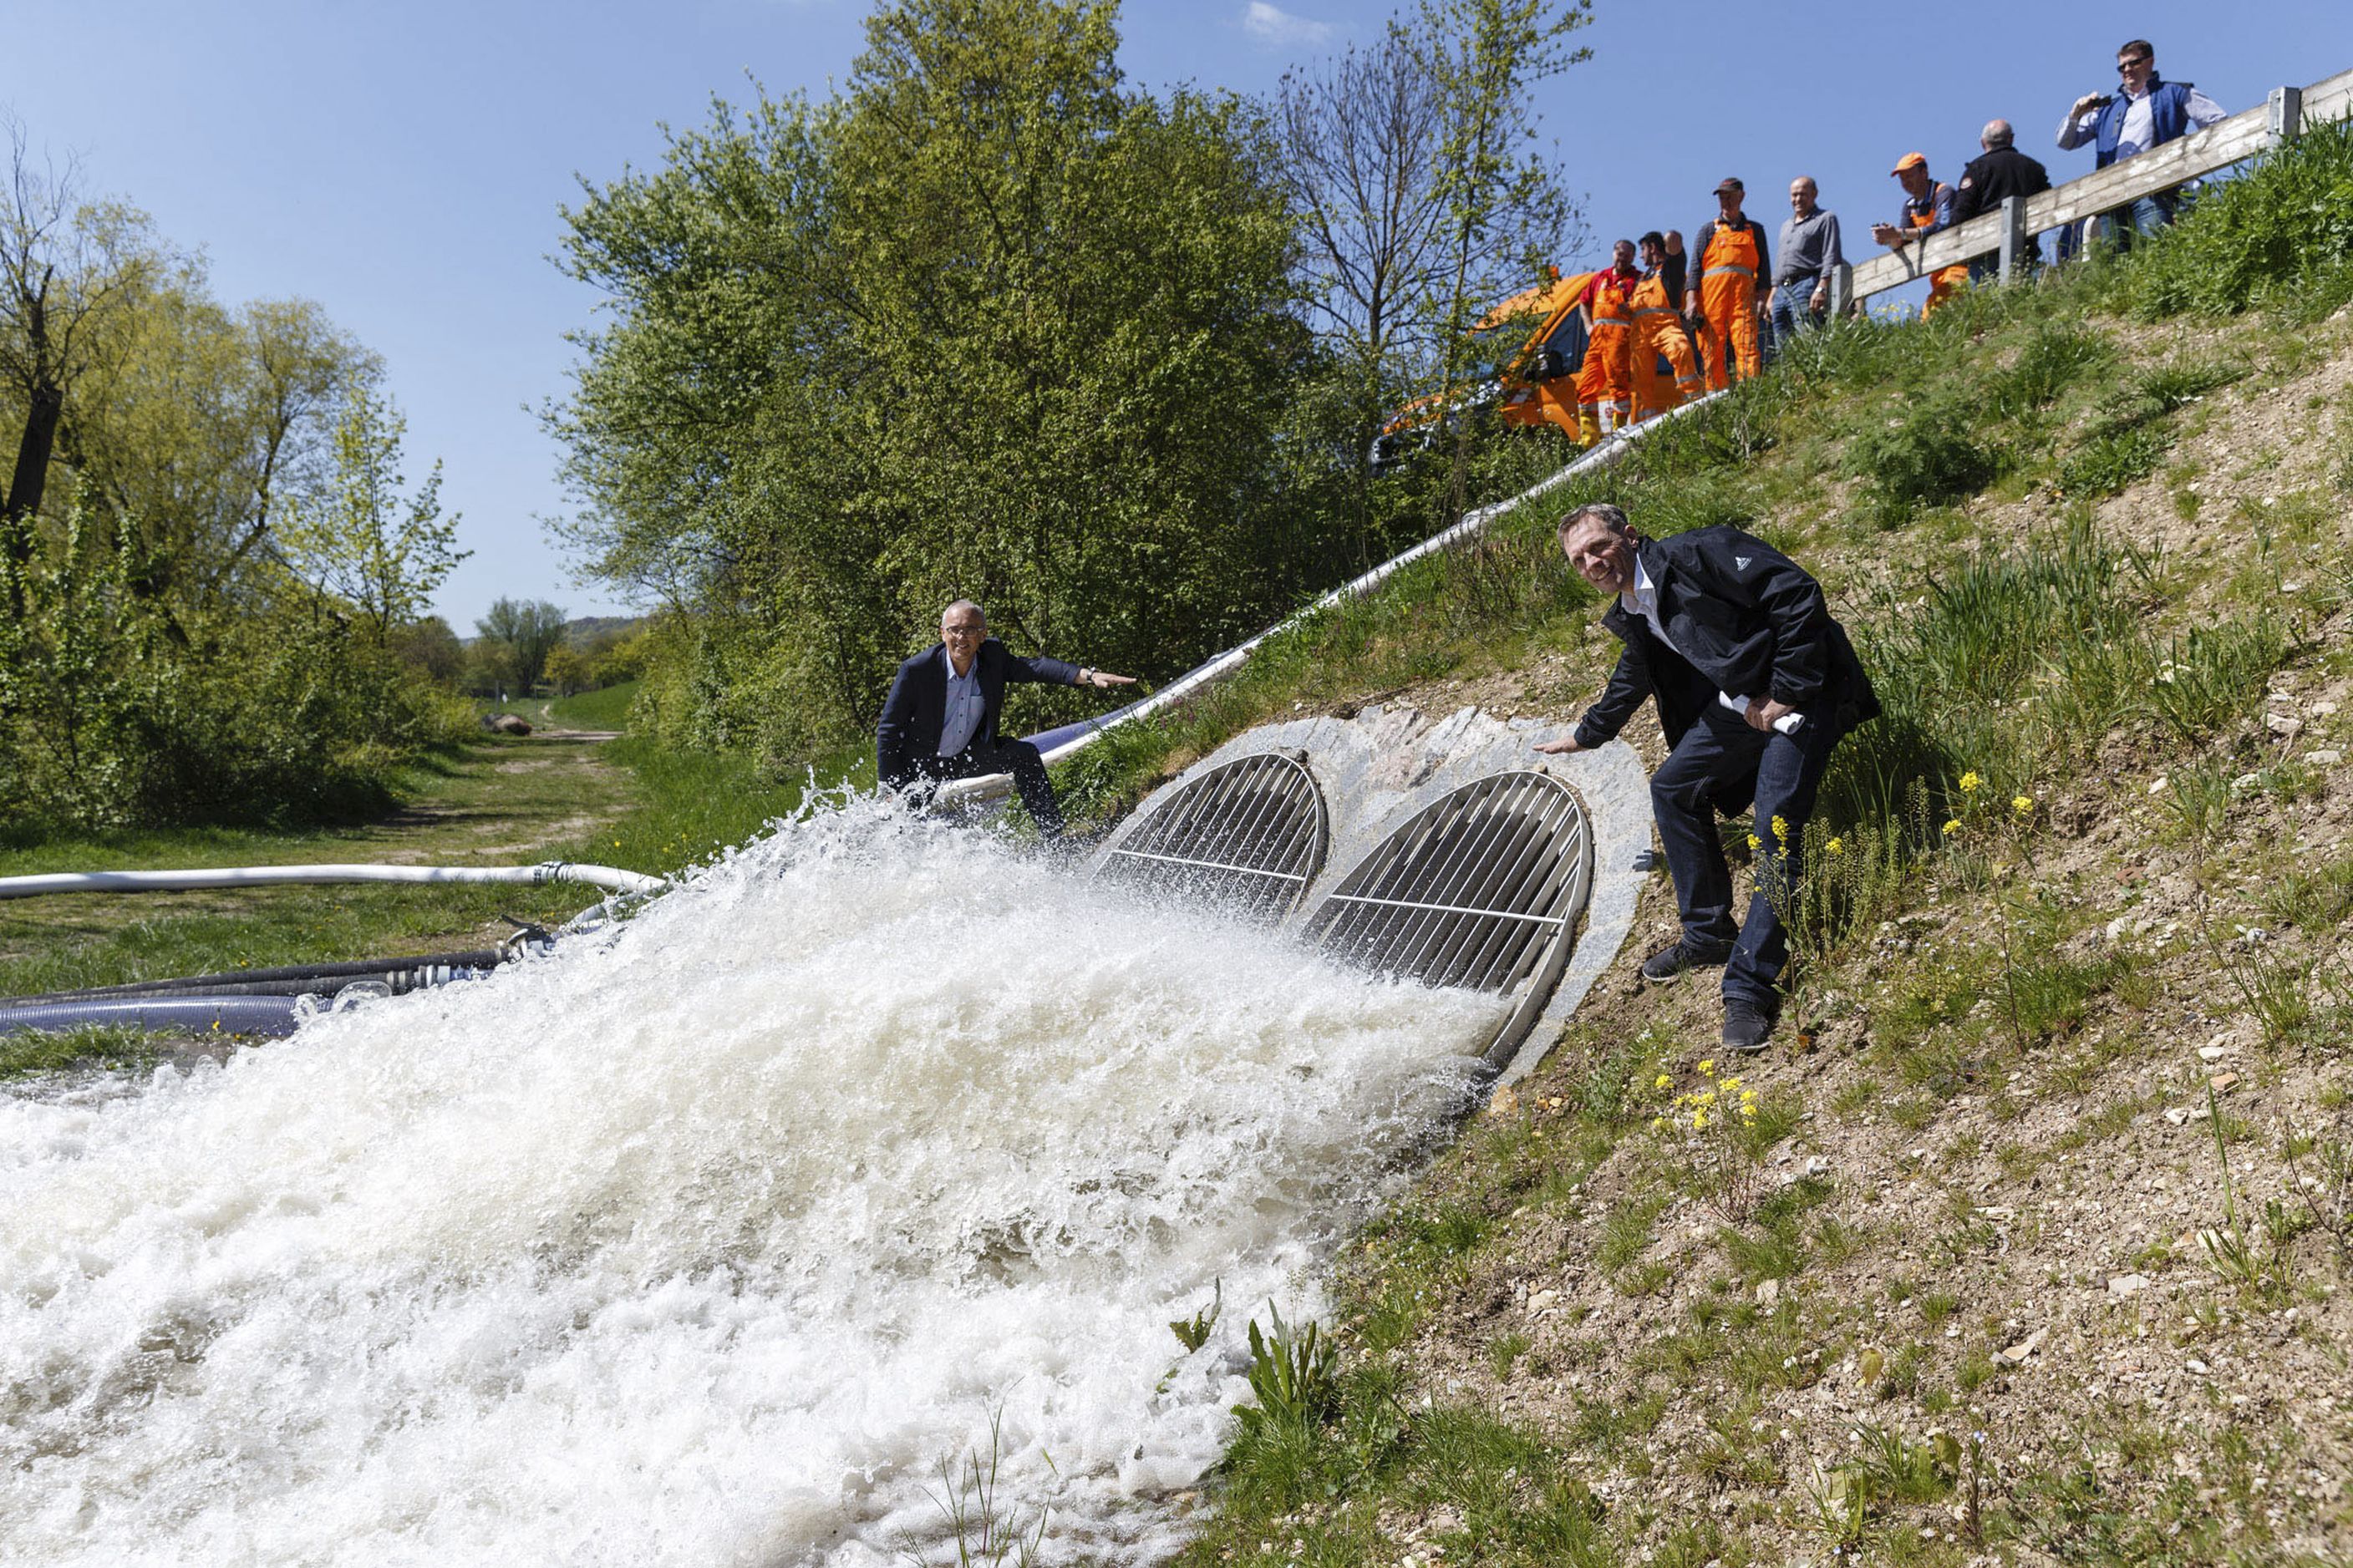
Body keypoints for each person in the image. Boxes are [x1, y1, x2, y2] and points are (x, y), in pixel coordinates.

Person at [1533, 505, 1879, 1052]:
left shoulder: (1699, 554)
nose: (1593, 563)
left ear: (1629, 533)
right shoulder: (1635, 603)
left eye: (1598, 547)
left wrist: (1785, 690)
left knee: (1776, 829)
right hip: (1745, 703)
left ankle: (1749, 986)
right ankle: (1710, 930)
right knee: (1672, 787)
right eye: (1580, 560)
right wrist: (1588, 733)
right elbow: (1637, 670)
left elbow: (1796, 594)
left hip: (1807, 690)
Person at [876, 600, 1135, 839]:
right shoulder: (917, 670)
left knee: (1025, 755)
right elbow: (888, 730)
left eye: (970, 629)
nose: (961, 637)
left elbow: (1034, 668)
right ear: (942, 633)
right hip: (923, 764)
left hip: (968, 756)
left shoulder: (993, 658)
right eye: (954, 630)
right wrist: (890, 786)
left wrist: (1087, 675)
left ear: (983, 634)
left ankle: (1055, 837)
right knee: (900, 827)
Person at [2056, 39, 2225, 246]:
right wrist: (2075, 116)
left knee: (2155, 248)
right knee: (2113, 258)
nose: (2127, 70)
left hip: (2153, 187)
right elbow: (2066, 142)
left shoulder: (2175, 92)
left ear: (2150, 62)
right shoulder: (2107, 109)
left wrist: (2190, 157)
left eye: (2133, 63)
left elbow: (2218, 123)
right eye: (2122, 67)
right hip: (2111, 195)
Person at [1687, 179, 1771, 389]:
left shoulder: (1755, 230)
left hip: (1744, 298)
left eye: (1730, 196)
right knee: (1711, 346)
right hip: (1711, 300)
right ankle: (1714, 394)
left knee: (1747, 343)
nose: (1725, 201)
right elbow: (1695, 268)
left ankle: (1749, 393)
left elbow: (1764, 270)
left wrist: (1763, 298)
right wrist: (1691, 301)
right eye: (1722, 197)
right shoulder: (1708, 231)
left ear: (1741, 196)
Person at [1951, 119, 2052, 284]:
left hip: (1985, 251)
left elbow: (1960, 213)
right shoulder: (2034, 168)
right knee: (2024, 298)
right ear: (2011, 139)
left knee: (1988, 303)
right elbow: (2048, 204)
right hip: (2026, 248)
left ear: (1983, 143)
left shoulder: (1977, 168)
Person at [1872, 154, 1968, 317]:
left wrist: (1899, 233)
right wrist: (1889, 239)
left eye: (1909, 176)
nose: (1906, 182)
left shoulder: (1944, 192)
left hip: (1957, 267)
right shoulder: (1909, 206)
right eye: (1902, 179)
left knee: (1938, 315)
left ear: (1924, 173)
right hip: (1936, 274)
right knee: (1928, 318)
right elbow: (1903, 242)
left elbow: (1941, 226)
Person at [1629, 232, 1702, 422]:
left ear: (1652, 248)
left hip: (1665, 326)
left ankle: (1695, 404)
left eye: (1643, 249)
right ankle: (1642, 426)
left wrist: (1668, 237)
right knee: (1640, 383)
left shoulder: (1671, 269)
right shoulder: (1642, 277)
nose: (1640, 255)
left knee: (1681, 349)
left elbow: (1675, 241)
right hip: (1640, 334)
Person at [1572, 241, 1641, 439]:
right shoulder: (1599, 278)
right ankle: (1590, 440)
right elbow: (1583, 303)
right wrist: (1588, 326)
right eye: (1620, 253)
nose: (1623, 257)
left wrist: (1630, 310)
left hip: (1620, 343)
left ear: (1633, 258)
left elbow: (1644, 308)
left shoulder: (1636, 280)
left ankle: (1619, 437)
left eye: (1628, 255)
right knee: (1585, 388)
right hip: (1597, 343)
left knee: (1619, 391)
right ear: (1614, 253)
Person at [1771, 176, 1844, 346]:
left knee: (1808, 339)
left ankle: (1811, 373)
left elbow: (1831, 255)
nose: (1797, 199)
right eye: (1794, 195)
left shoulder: (1825, 218)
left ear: (1814, 194)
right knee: (1782, 344)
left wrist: (1821, 288)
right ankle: (1788, 374)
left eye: (1802, 194)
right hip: (1782, 290)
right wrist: (1773, 293)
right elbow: (1780, 260)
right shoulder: (1786, 225)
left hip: (1806, 284)